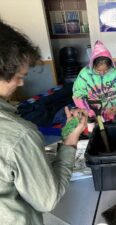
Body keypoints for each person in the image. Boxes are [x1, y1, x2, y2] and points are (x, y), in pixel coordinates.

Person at [0, 20, 87, 225]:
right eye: (18, 77)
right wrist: (70, 142)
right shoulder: (19, 136)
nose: (22, 83)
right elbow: (46, 200)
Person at [73, 40, 116, 122]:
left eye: (105, 70)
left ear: (110, 65)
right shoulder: (85, 74)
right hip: (93, 115)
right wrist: (89, 111)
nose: (102, 73)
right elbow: (78, 94)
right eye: (98, 71)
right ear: (92, 65)